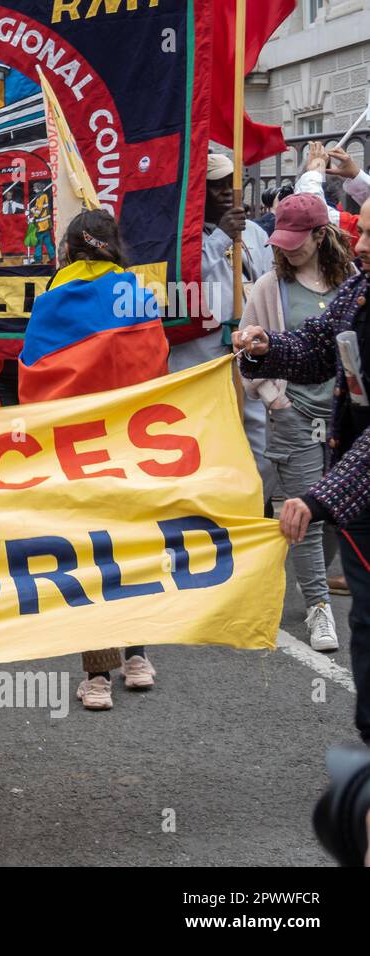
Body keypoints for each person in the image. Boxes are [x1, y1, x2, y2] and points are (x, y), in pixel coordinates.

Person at [234, 196, 370, 745]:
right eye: (361, 235)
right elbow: (319, 347)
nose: (360, 244)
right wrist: (265, 350)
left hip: (353, 473)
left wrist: (319, 496)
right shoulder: (360, 290)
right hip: (352, 480)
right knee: (365, 621)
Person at [19, 209, 167, 710]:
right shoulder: (137, 294)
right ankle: (139, 657)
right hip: (137, 441)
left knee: (89, 553)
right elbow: (157, 365)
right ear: (112, 245)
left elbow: (36, 375)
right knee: (137, 544)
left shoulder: (52, 299)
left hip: (77, 446)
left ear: (68, 248)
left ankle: (98, 676)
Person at [240, 192, 356, 652]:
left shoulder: (352, 282)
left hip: (344, 416)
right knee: (302, 511)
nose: (287, 249)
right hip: (295, 415)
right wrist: (273, 397)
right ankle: (319, 606)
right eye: (281, 241)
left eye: (296, 240)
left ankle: (315, 583)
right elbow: (249, 348)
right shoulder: (269, 286)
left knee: (334, 510)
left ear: (322, 235)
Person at [167, 151, 273, 483]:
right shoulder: (180, 237)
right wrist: (220, 238)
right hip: (201, 356)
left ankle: (259, 502)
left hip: (248, 352)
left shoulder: (253, 232)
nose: (228, 192)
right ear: (200, 189)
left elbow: (268, 280)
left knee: (260, 435)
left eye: (232, 183)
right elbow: (181, 281)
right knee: (204, 434)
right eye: (217, 185)